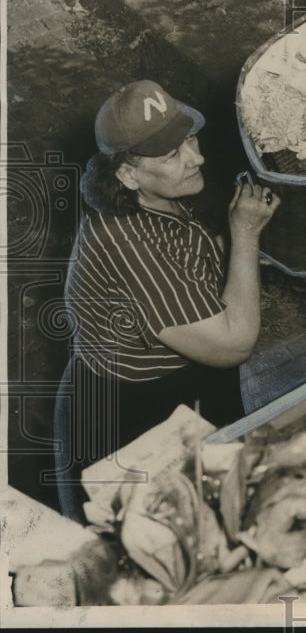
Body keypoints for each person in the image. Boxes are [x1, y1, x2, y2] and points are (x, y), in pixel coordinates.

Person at [52, 80, 280, 522]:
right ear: (128, 174)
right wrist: (246, 235)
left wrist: (227, 254)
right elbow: (235, 344)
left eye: (189, 140)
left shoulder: (144, 196)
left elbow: (183, 254)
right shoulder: (129, 243)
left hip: (180, 377)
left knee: (234, 496)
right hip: (124, 412)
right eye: (172, 155)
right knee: (155, 543)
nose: (197, 157)